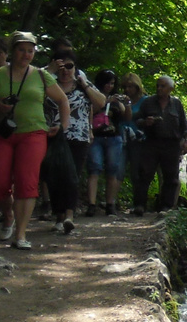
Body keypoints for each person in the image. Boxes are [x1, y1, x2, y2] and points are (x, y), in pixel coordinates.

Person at [0, 31, 68, 249]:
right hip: (3, 133)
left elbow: (62, 100)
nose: (26, 54)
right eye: (22, 50)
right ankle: (8, 216)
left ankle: (21, 235)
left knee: (27, 182)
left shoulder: (41, 75)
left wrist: (62, 126)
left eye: (30, 51)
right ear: (12, 51)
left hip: (33, 133)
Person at [47, 53, 101, 233]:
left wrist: (84, 84)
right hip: (54, 135)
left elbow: (100, 102)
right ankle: (59, 215)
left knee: (72, 175)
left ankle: (69, 215)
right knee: (54, 177)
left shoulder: (82, 85)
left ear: (75, 68)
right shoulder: (48, 82)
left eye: (69, 66)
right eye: (60, 67)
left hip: (78, 137)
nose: (65, 71)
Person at [134, 75, 187, 212]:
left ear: (170, 88)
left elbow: (186, 127)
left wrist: (186, 141)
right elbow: (137, 121)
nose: (159, 88)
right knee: (145, 174)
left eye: (163, 86)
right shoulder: (148, 102)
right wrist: (145, 122)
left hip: (172, 144)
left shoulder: (177, 104)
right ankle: (140, 205)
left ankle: (166, 206)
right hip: (151, 142)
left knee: (171, 176)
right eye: (158, 85)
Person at [86, 70, 130, 215]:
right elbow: (90, 110)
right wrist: (106, 101)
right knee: (94, 168)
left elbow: (126, 117)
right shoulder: (93, 95)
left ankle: (110, 203)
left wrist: (124, 103)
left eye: (112, 83)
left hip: (114, 137)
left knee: (112, 169)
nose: (109, 86)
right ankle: (91, 204)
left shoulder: (116, 98)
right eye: (107, 83)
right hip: (96, 136)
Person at [120, 73, 150, 213]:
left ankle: (140, 204)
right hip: (122, 138)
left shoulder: (146, 101)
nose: (127, 89)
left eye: (130, 86)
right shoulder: (121, 100)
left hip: (139, 140)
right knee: (118, 170)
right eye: (125, 87)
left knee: (138, 172)